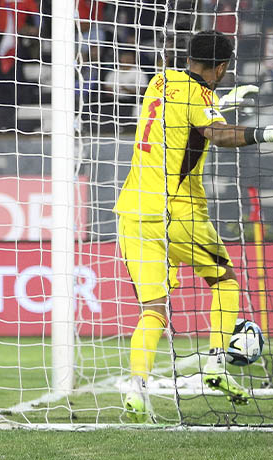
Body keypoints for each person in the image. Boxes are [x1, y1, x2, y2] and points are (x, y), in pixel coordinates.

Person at [114, 30, 273, 423]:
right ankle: (217, 365)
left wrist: (218, 104)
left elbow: (183, 115)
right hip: (176, 212)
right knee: (225, 279)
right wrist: (263, 132)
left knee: (153, 310)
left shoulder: (160, 80)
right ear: (221, 67)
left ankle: (136, 388)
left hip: (132, 213)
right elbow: (215, 133)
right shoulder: (200, 96)